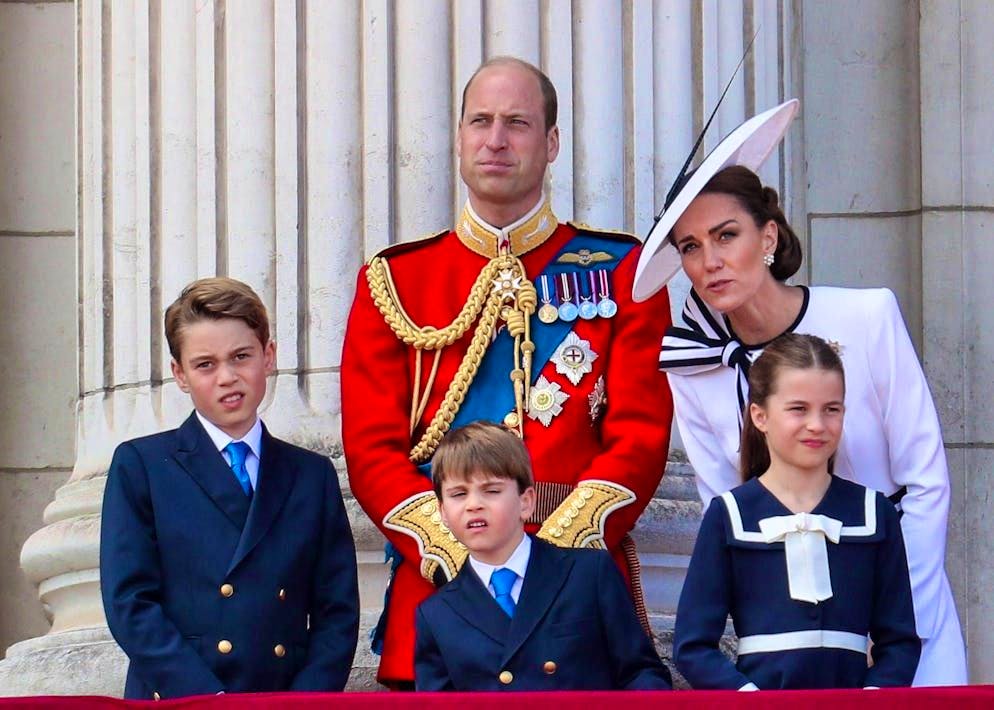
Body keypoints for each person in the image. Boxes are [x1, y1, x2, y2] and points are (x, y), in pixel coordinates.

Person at [341, 56, 673, 686]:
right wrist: (464, 549)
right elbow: (370, 451)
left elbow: (640, 436)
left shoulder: (626, 271)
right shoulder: (394, 280)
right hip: (441, 601)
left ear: (551, 143)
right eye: (481, 121)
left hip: (576, 597)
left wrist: (551, 560)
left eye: (517, 123)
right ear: (460, 137)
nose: (496, 140)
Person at [641, 158, 967, 684]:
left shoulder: (867, 317)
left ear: (768, 235)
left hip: (903, 628)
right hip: (785, 655)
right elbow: (723, 507)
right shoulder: (694, 365)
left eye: (727, 235)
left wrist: (886, 630)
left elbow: (926, 484)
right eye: (691, 247)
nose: (710, 262)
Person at [100, 277, 359, 699]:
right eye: (205, 364)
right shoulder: (142, 466)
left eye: (241, 356)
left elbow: (337, 611)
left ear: (268, 356)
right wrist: (206, 700)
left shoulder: (311, 475)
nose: (227, 377)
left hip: (283, 701)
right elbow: (129, 602)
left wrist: (305, 703)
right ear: (180, 375)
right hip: (181, 698)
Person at [673, 334, 920, 689]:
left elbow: (899, 641)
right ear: (760, 416)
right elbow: (693, 646)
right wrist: (747, 697)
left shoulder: (874, 512)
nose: (817, 425)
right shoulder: (729, 514)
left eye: (831, 409)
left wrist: (873, 698)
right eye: (798, 409)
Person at [415, 422, 672, 691]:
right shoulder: (437, 614)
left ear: (526, 502)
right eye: (458, 494)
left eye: (491, 491)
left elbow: (640, 673)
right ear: (442, 511)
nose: (473, 504)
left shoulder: (588, 573)